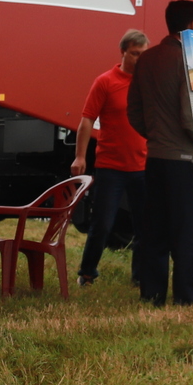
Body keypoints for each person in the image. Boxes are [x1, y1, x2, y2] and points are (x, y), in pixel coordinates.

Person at [127, 0, 193, 306]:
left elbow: (133, 110)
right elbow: (190, 115)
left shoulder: (147, 59)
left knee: (155, 230)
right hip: (184, 159)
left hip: (155, 156)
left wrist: (156, 136)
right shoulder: (192, 57)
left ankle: (152, 294)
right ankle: (185, 296)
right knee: (187, 232)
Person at [72, 28, 150, 287]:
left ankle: (140, 277)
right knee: (102, 224)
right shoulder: (105, 81)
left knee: (145, 226)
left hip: (141, 165)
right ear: (123, 52)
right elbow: (86, 120)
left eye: (143, 54)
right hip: (111, 166)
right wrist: (80, 157)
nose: (140, 59)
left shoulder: (147, 82)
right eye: (135, 54)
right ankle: (87, 272)